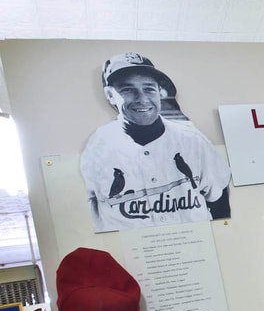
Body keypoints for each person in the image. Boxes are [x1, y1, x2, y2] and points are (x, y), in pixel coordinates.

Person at [80, 53, 232, 232]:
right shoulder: (98, 147)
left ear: (159, 92)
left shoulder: (192, 140)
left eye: (149, 88)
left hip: (194, 249)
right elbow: (95, 216)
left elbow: (219, 203)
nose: (142, 98)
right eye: (127, 89)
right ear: (110, 95)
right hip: (139, 254)